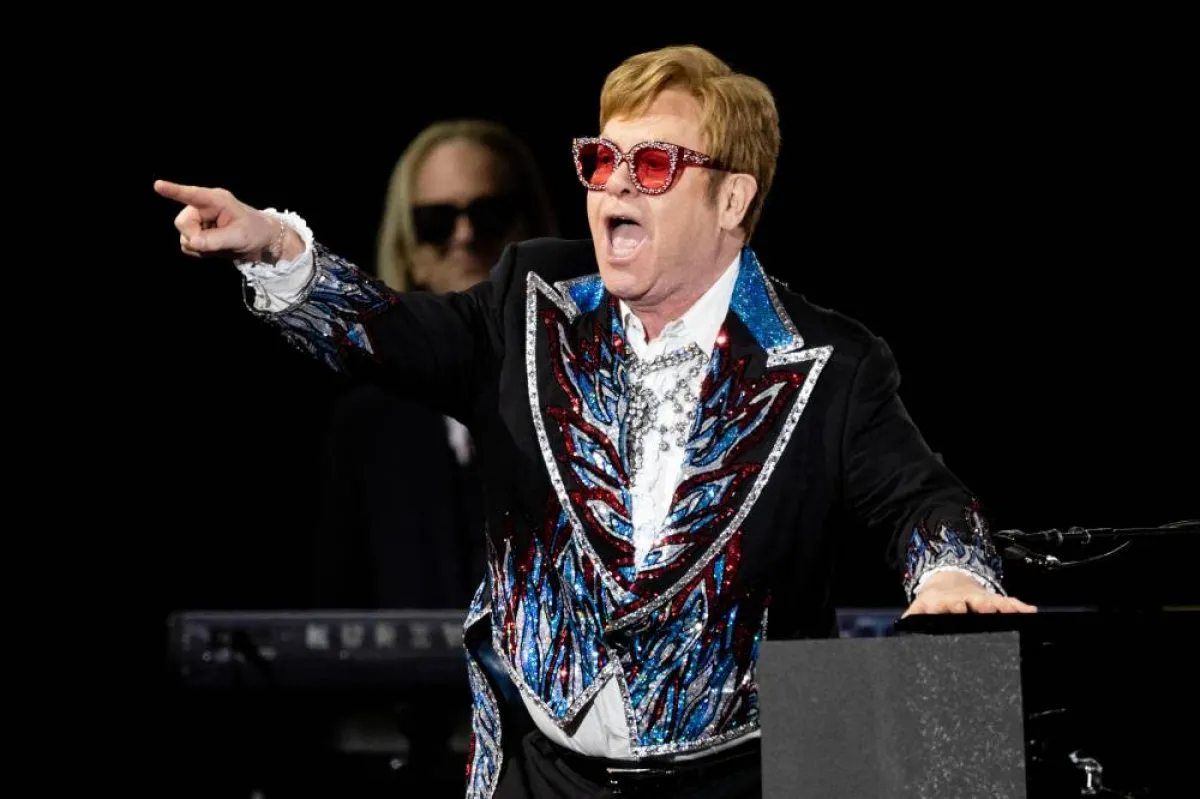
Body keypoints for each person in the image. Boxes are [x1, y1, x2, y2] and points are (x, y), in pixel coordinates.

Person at [156, 44, 1036, 799]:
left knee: (967, 729)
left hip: (745, 770)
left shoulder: (831, 362)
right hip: (545, 770)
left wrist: (949, 570)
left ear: (732, 200)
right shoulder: (528, 303)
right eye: (600, 159)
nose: (615, 182)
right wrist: (277, 251)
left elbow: (922, 499)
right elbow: (388, 332)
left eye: (650, 166)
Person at [314, 119, 558, 612]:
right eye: (435, 221)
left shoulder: (593, 396)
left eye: (489, 214)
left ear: (531, 231)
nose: (465, 236)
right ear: (410, 251)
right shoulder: (365, 427)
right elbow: (336, 615)